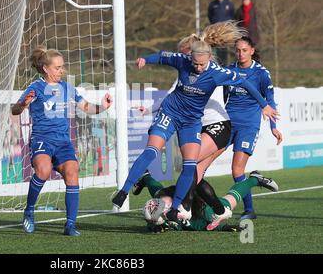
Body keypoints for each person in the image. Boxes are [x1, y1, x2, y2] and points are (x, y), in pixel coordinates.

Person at [111, 22, 279, 223]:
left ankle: (185, 207)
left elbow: (246, 84)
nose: (196, 67)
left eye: (200, 63)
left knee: (193, 169)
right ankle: (197, 208)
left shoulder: (219, 72)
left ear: (206, 57)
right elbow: (166, 66)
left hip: (217, 125)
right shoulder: (183, 63)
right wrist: (145, 63)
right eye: (192, 61)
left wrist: (264, 106)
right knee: (191, 172)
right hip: (187, 119)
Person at [12, 46, 112, 236]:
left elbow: (86, 107)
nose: (62, 71)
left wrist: (103, 107)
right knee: (43, 170)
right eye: (57, 67)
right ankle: (29, 211)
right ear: (46, 69)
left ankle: (70, 225)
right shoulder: (35, 88)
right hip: (42, 139)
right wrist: (23, 104)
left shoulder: (67, 87)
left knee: (72, 171)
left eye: (62, 67)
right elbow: (15, 111)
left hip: (63, 142)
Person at [224, 36, 283, 220]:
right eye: (237, 50)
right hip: (226, 123)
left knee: (237, 171)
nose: (240, 53)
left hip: (248, 125)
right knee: (200, 162)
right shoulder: (229, 70)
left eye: (244, 50)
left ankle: (249, 210)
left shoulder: (261, 73)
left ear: (251, 51)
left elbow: (269, 100)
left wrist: (273, 126)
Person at [142, 170, 279, 232]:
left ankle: (255, 179)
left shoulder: (201, 212)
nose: (160, 201)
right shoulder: (161, 198)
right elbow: (154, 187)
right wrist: (146, 177)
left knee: (228, 202)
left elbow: (200, 225)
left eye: (164, 202)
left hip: (204, 205)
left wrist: (222, 227)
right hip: (192, 202)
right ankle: (255, 178)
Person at [208, 0, 235, 66]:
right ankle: (215, 64)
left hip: (225, 31)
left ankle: (225, 64)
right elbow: (209, 15)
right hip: (215, 31)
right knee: (215, 48)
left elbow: (232, 16)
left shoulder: (229, 4)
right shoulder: (213, 4)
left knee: (224, 48)